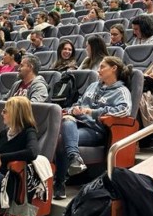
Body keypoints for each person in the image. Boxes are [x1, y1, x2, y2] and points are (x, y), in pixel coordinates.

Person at [54, 57, 133, 199]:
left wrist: (93, 112)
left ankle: (59, 183)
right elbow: (78, 103)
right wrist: (75, 109)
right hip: (76, 124)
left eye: (102, 67)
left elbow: (124, 111)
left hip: (96, 129)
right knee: (67, 120)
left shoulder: (121, 91)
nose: (99, 70)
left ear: (114, 68)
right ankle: (74, 158)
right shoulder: (92, 86)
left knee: (62, 140)